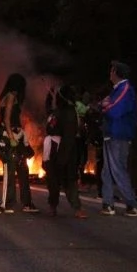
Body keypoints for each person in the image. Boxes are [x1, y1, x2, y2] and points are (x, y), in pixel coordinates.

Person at [100, 61, 137, 216]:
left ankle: (132, 204)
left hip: (118, 134)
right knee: (107, 171)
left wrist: (104, 106)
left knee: (117, 169)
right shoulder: (117, 90)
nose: (110, 74)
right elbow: (105, 104)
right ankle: (108, 203)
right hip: (111, 133)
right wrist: (104, 104)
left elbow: (114, 110)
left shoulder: (125, 89)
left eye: (112, 71)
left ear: (117, 73)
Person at [0, 73, 38, 213]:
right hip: (9, 136)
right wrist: (12, 138)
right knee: (11, 168)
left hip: (15, 134)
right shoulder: (10, 96)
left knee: (23, 167)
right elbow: (7, 119)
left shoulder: (8, 97)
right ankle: (7, 203)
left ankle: (27, 203)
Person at [45, 85, 87, 218]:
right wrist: (48, 97)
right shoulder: (59, 110)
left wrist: (62, 158)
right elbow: (49, 112)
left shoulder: (69, 112)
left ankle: (77, 208)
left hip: (64, 150)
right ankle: (53, 206)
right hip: (53, 150)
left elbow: (68, 137)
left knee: (70, 179)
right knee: (52, 180)